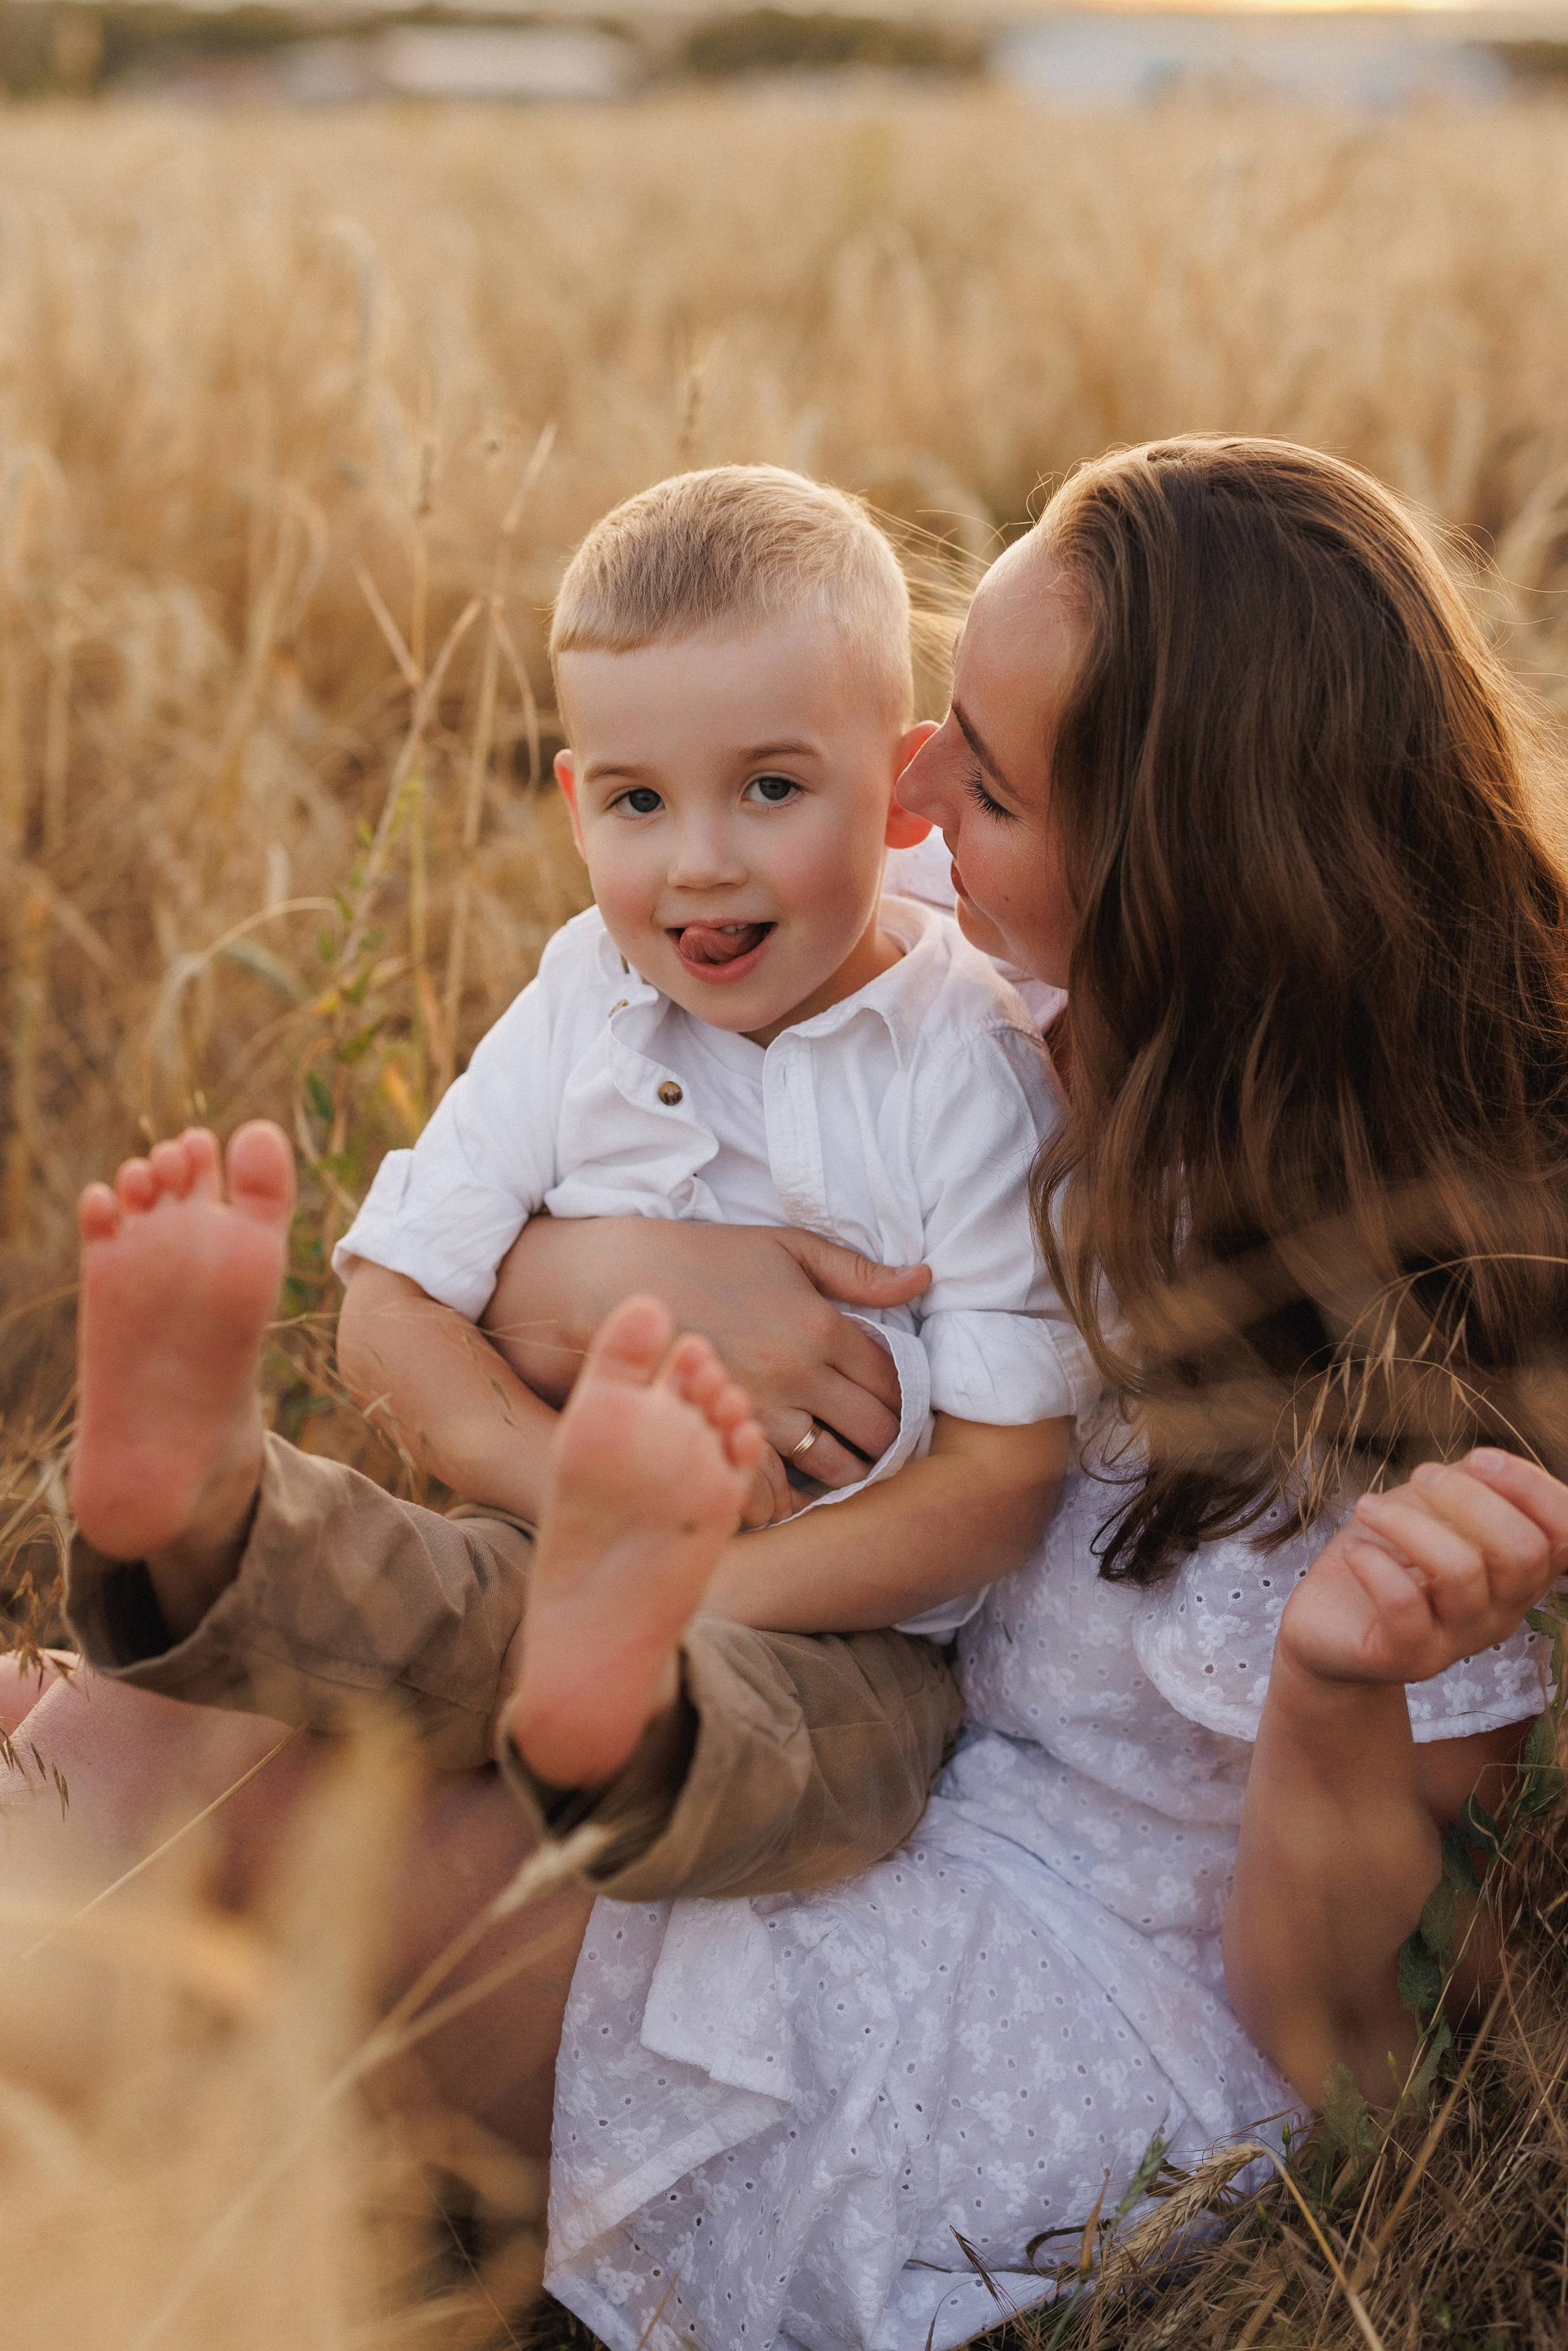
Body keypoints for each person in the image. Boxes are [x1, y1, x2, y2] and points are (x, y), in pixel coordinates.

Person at [11, 432, 1568, 2351]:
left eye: (981, 779)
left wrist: (1335, 1687)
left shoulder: (1424, 1351)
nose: (909, 797)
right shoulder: (973, 964)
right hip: (810, 1725)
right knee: (96, 1723)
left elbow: (1343, 2044)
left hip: (1017, 1990)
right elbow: (580, 1163)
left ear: (1171, 877)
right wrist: (605, 1272)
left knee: (159, 1784)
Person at [333, 466, 1096, 1687]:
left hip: (829, 1635)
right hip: (549, 1537)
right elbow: (386, 1313)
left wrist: (684, 1595)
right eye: (638, 799)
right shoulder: (585, 998)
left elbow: (998, 1483)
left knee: (715, 1732)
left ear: (900, 797)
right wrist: (584, 1505)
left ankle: (604, 1732)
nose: (699, 863)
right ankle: (204, 1539)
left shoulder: (963, 1061)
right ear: (577, 808)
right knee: (360, 1576)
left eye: (770, 788)